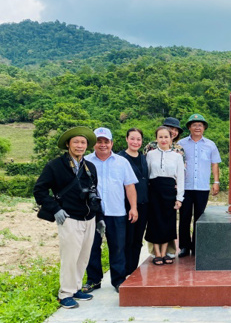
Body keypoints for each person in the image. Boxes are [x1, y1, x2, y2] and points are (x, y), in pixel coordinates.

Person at [34, 127, 102, 309]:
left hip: (89, 218)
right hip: (69, 217)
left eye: (83, 142)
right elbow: (39, 190)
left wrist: (99, 217)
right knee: (70, 257)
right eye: (76, 142)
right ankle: (65, 293)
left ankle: (76, 288)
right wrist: (55, 209)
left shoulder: (90, 167)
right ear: (68, 144)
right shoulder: (55, 166)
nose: (80, 146)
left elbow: (95, 193)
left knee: (83, 256)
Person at [83, 127, 138, 293]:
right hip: (91, 213)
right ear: (93, 144)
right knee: (92, 247)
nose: (102, 145)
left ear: (111, 143)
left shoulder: (122, 162)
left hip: (116, 212)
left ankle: (118, 280)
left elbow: (129, 186)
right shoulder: (85, 162)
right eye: (99, 141)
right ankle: (93, 280)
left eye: (106, 141)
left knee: (118, 247)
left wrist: (133, 207)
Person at [177, 114, 221, 257]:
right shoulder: (181, 144)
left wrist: (216, 182)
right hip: (185, 186)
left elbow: (214, 164)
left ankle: (197, 246)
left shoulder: (210, 144)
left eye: (200, 125)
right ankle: (184, 246)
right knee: (184, 217)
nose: (197, 127)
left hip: (202, 187)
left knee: (199, 217)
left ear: (204, 128)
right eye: (194, 125)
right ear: (189, 127)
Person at [144, 117, 185, 258]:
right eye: (160, 137)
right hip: (154, 190)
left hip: (169, 191)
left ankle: (166, 252)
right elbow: (147, 174)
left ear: (171, 138)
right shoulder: (150, 154)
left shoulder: (177, 155)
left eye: (166, 137)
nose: (163, 139)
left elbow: (180, 178)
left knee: (168, 221)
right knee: (154, 221)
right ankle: (157, 254)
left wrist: (179, 198)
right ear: (156, 138)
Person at [117, 128, 149, 276]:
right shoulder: (119, 158)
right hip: (127, 205)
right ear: (126, 139)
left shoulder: (143, 158)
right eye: (132, 138)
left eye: (138, 139)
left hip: (144, 204)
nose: (135, 142)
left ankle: (133, 270)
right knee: (126, 240)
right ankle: (123, 271)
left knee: (137, 239)